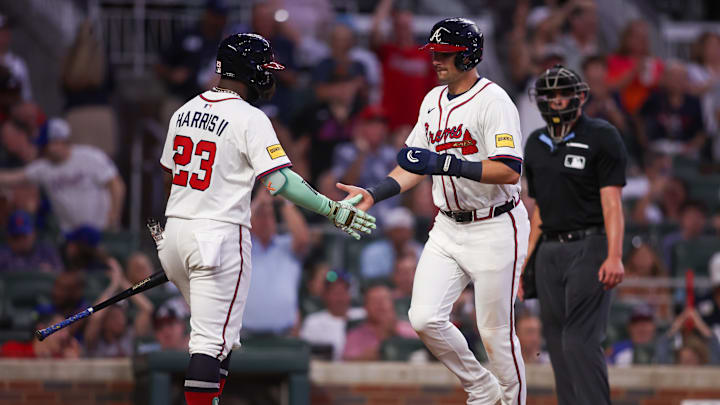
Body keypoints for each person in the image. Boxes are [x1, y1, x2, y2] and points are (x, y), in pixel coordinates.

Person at [156, 33, 375, 405]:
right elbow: (278, 181)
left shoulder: (183, 110)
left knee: (218, 339)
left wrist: (183, 234)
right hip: (220, 236)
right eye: (264, 69)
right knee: (210, 344)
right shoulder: (249, 117)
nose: (268, 78)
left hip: (175, 231)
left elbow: (167, 177)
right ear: (249, 71)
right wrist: (333, 209)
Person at [340, 18, 530, 405]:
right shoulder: (432, 100)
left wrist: (447, 164)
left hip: (495, 223)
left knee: (495, 333)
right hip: (448, 226)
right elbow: (414, 163)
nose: (436, 60)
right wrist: (375, 194)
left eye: (445, 54)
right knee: (424, 318)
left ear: (469, 55)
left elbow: (510, 167)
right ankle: (480, 386)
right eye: (435, 53)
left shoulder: (494, 101)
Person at [522, 65, 627, 405]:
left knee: (579, 339)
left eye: (563, 93)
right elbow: (539, 210)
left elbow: (612, 202)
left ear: (581, 96)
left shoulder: (602, 135)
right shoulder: (535, 143)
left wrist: (614, 254)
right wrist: (526, 261)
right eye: (549, 94)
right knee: (554, 340)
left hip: (590, 243)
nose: (556, 101)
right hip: (550, 248)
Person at [0, 117, 125, 232]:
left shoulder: (91, 157)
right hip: (71, 237)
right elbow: (12, 178)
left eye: (45, 145)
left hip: (101, 230)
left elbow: (116, 184)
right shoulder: (44, 167)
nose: (42, 149)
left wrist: (114, 214)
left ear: (57, 142)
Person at [242, 189, 309, 336]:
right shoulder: (242, 247)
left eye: (269, 215)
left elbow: (303, 238)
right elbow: (237, 229)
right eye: (260, 215)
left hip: (284, 334)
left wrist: (285, 200)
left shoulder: (286, 246)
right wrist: (259, 202)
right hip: (244, 336)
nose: (265, 220)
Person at [299, 270, 365, 361]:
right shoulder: (313, 322)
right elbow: (306, 354)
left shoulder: (363, 315)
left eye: (344, 291)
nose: (340, 297)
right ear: (325, 295)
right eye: (335, 293)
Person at [342, 284, 417, 361]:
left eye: (384, 300)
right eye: (374, 301)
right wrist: (364, 358)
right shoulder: (355, 336)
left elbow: (424, 347)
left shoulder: (409, 328)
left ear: (392, 304)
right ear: (366, 307)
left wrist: (394, 332)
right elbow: (345, 363)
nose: (380, 305)